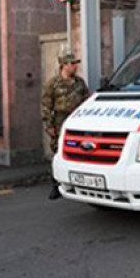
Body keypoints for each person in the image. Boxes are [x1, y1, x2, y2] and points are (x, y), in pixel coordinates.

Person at [41, 52, 90, 200]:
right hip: (60, 120)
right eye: (72, 64)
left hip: (78, 120)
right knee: (58, 151)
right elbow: (46, 105)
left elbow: (86, 100)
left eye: (75, 64)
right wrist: (48, 124)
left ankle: (78, 183)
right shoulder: (53, 83)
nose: (75, 66)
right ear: (64, 65)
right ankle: (56, 185)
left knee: (80, 150)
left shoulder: (80, 82)